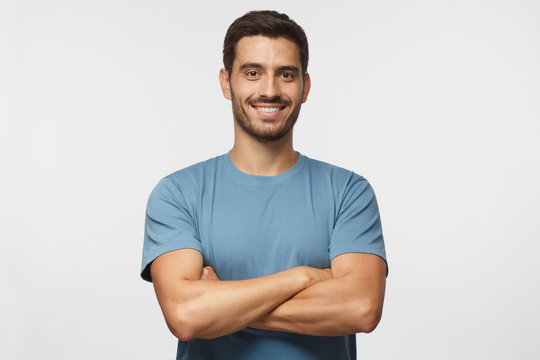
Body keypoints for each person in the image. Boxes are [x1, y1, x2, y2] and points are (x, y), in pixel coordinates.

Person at [141, 10, 388, 360]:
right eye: (253, 73)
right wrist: (302, 278)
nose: (269, 91)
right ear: (227, 83)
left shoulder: (348, 192)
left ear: (305, 86)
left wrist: (222, 302)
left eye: (285, 74)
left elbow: (361, 307)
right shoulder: (178, 194)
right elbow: (186, 315)